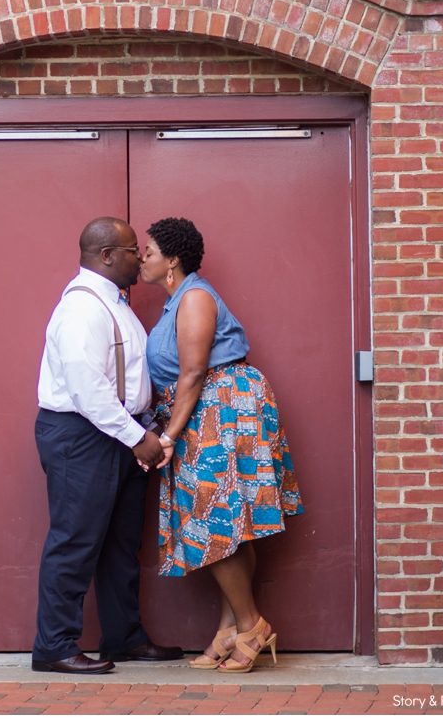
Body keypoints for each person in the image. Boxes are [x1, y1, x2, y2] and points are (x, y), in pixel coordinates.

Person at [140, 217, 303, 674]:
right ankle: (230, 629)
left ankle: (252, 625)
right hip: (208, 410)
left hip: (220, 410)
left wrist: (168, 436)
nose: (143, 259)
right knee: (230, 519)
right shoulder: (178, 300)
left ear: (172, 261)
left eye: (149, 251)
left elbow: (193, 372)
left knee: (214, 517)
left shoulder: (193, 297)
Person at [32, 216, 183, 675]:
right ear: (106, 256)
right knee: (75, 541)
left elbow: (126, 379)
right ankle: (53, 646)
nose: (140, 257)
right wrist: (141, 439)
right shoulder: (82, 308)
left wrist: (148, 425)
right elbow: (88, 390)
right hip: (82, 435)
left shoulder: (113, 303)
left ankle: (124, 637)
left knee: (120, 545)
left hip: (118, 432)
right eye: (132, 249)